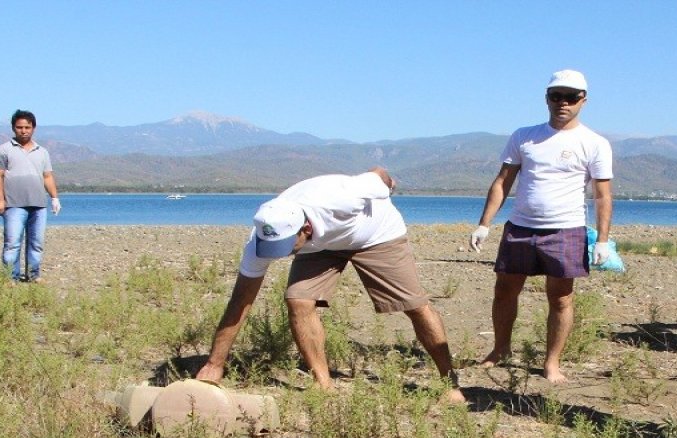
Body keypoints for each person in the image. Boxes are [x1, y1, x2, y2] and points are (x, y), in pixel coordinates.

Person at [195, 168, 466, 404]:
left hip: (375, 234)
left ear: (305, 230)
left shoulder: (343, 196)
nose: (280, 253)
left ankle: (449, 382)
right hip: (321, 247)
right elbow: (241, 300)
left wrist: (388, 184)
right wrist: (214, 364)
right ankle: (322, 384)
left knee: (414, 305)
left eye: (286, 246)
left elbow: (378, 173)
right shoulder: (264, 234)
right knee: (298, 300)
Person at [469, 69, 613, 384]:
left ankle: (552, 363)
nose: (563, 102)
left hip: (566, 230)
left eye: (571, 96)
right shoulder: (524, 136)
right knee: (504, 290)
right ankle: (500, 350)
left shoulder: (594, 143)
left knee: (561, 297)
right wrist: (484, 224)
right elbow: (503, 181)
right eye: (556, 96)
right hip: (520, 227)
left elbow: (602, 196)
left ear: (583, 100)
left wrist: (602, 240)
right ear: (546, 98)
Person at [0, 109, 60, 282]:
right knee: (12, 243)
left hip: (38, 205)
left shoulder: (42, 152)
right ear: (13, 128)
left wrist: (54, 197)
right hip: (13, 205)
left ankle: (33, 275)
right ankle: (10, 278)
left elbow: (47, 176)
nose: (23, 130)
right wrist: (0, 200)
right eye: (19, 127)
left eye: (27, 127)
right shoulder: (3, 150)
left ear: (33, 128)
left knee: (36, 243)